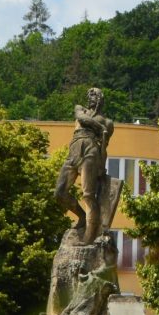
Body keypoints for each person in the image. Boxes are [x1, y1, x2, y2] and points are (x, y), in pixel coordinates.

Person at [53, 88, 115, 243]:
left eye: (94, 95)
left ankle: (89, 235)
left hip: (91, 151)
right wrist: (100, 128)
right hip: (74, 150)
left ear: (101, 98)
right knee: (59, 192)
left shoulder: (108, 122)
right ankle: (81, 216)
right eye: (89, 95)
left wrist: (101, 165)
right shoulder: (80, 109)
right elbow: (81, 119)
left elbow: (104, 146)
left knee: (88, 194)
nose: (91, 98)